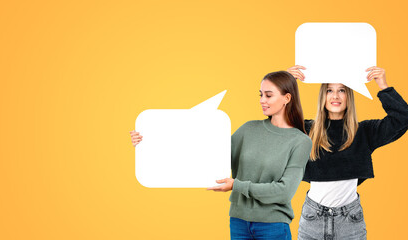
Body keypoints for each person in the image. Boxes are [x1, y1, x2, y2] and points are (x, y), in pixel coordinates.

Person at [130, 71, 312, 240]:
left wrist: (237, 185)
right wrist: (149, 142)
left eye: (269, 95)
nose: (262, 100)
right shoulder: (249, 129)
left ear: (287, 98)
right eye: (260, 94)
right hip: (239, 222)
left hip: (273, 227)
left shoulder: (300, 141)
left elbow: (284, 191)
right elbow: (204, 152)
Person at [287, 65, 408, 240]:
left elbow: (405, 118)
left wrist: (383, 86)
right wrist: (285, 84)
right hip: (312, 220)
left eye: (342, 90)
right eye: (329, 90)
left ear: (349, 96)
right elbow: (276, 122)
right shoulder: (307, 130)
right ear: (322, 96)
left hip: (349, 222)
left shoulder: (363, 131)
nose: (335, 96)